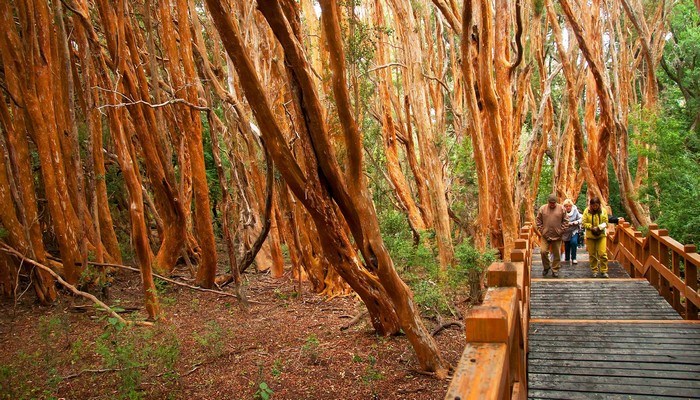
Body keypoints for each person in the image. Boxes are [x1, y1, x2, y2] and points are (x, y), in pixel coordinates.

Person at [536, 194, 569, 278]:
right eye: (551, 203)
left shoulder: (561, 208)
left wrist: (561, 230)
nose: (552, 204)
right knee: (543, 251)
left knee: (557, 253)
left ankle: (555, 269)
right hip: (545, 235)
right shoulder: (542, 209)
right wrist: (542, 230)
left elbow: (566, 221)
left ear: (556, 202)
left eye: (554, 203)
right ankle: (546, 267)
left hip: (557, 235)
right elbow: (538, 221)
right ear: (548, 202)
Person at [583, 197, 609, 278]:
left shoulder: (603, 211)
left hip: (601, 234)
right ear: (591, 205)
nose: (595, 207)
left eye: (596, 205)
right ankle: (594, 270)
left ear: (599, 205)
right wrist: (591, 227)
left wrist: (599, 227)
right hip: (590, 235)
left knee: (602, 253)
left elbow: (606, 222)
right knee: (592, 254)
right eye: (593, 205)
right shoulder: (587, 211)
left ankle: (604, 270)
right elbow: (584, 222)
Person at [562, 199, 582, 265]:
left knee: (574, 242)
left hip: (574, 230)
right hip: (566, 231)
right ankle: (567, 259)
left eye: (569, 206)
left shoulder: (575, 211)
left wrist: (575, 222)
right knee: (567, 246)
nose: (568, 207)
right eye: (566, 206)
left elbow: (581, 218)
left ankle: (574, 258)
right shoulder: (562, 212)